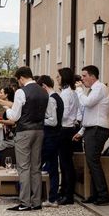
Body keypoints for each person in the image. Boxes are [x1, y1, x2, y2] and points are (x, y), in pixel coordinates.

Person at [0, 66, 48, 211]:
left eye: (18, 81)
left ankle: (25, 202)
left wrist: (6, 108)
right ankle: (37, 201)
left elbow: (14, 116)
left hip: (24, 131)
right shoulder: (44, 91)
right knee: (36, 167)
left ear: (21, 78)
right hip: (39, 130)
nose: (19, 84)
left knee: (23, 167)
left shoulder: (21, 92)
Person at [74, 65, 109, 206]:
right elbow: (89, 113)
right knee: (91, 163)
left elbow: (87, 104)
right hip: (91, 129)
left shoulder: (100, 88)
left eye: (84, 76)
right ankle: (95, 195)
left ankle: (103, 195)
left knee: (93, 162)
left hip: (97, 129)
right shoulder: (92, 90)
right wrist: (81, 131)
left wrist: (78, 90)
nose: (82, 79)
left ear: (92, 76)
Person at [37, 75, 64, 208]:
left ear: (44, 86)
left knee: (40, 163)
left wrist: (39, 121)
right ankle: (52, 198)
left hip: (51, 137)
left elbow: (53, 121)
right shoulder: (57, 97)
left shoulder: (51, 99)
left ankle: (34, 195)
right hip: (55, 136)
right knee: (53, 167)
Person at [56, 67, 79, 205]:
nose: (57, 79)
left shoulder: (66, 94)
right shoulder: (72, 93)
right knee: (65, 163)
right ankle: (64, 191)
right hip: (70, 129)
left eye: (58, 76)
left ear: (63, 77)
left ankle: (68, 194)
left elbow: (63, 114)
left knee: (66, 163)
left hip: (65, 129)